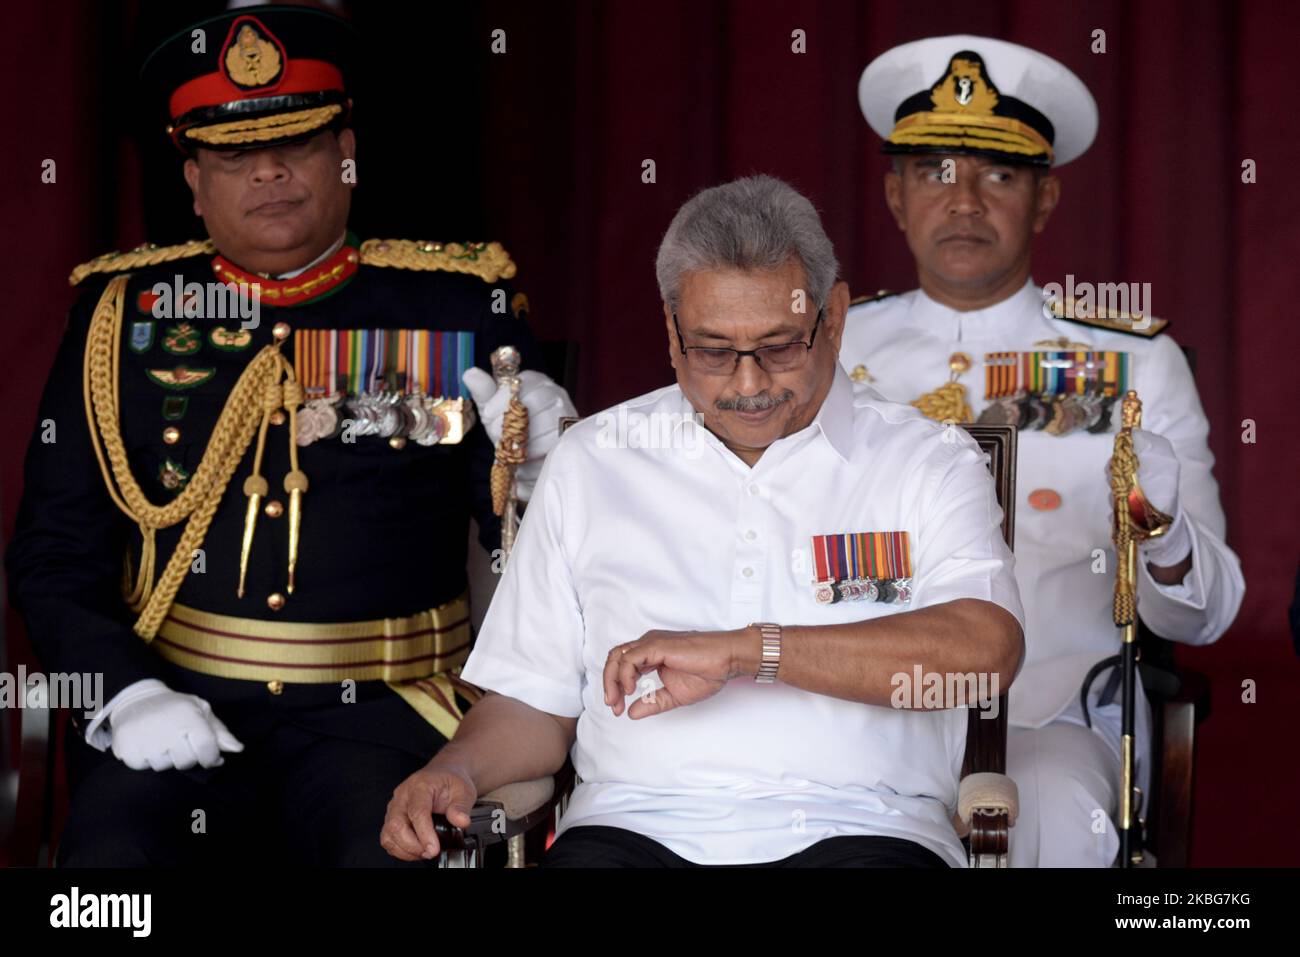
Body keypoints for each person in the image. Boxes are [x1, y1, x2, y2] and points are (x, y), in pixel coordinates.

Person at [5, 4, 574, 866]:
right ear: (192, 177)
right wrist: (126, 692)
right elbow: (52, 552)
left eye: (298, 144)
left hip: (387, 718)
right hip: (181, 704)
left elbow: (536, 557)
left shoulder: (458, 305)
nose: (269, 172)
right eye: (234, 154)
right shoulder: (122, 317)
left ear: (347, 155)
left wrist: (541, 472)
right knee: (106, 886)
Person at [380, 174, 1025, 868]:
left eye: (779, 347)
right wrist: (459, 767)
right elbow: (534, 704)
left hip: (863, 826)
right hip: (632, 828)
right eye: (713, 351)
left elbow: (985, 651)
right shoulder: (594, 459)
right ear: (670, 329)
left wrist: (752, 649)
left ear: (833, 317)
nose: (747, 385)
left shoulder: (925, 460)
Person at [843, 35, 1245, 866]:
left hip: (1042, 716)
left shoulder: (1135, 366)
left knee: (1057, 819)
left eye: (998, 175)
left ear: (1046, 198)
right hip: (849, 711)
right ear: (894, 194)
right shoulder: (827, 350)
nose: (963, 202)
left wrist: (1157, 533)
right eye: (934, 172)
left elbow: (1208, 614)